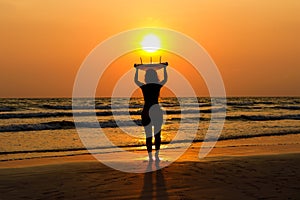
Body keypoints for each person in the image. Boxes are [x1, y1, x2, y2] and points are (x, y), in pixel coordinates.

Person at [134, 66, 168, 161]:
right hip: (156, 111)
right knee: (157, 135)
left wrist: (136, 70)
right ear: (155, 76)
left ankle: (150, 157)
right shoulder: (157, 86)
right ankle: (156, 156)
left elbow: (136, 80)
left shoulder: (144, 87)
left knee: (148, 135)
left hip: (146, 111)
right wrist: (165, 68)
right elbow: (165, 79)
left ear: (146, 77)